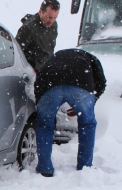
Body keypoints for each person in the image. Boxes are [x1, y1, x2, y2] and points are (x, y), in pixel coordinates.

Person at [33, 49, 106, 177]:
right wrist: (89, 103)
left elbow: (39, 81)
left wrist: (41, 106)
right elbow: (101, 83)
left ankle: (45, 167)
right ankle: (85, 166)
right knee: (87, 124)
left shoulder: (54, 58)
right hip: (80, 83)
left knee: (44, 125)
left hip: (51, 83)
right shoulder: (91, 60)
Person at [16, 0, 60, 70]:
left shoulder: (53, 25)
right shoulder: (28, 28)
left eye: (55, 17)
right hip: (32, 72)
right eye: (49, 17)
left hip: (47, 69)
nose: (52, 21)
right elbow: (17, 53)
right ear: (40, 12)